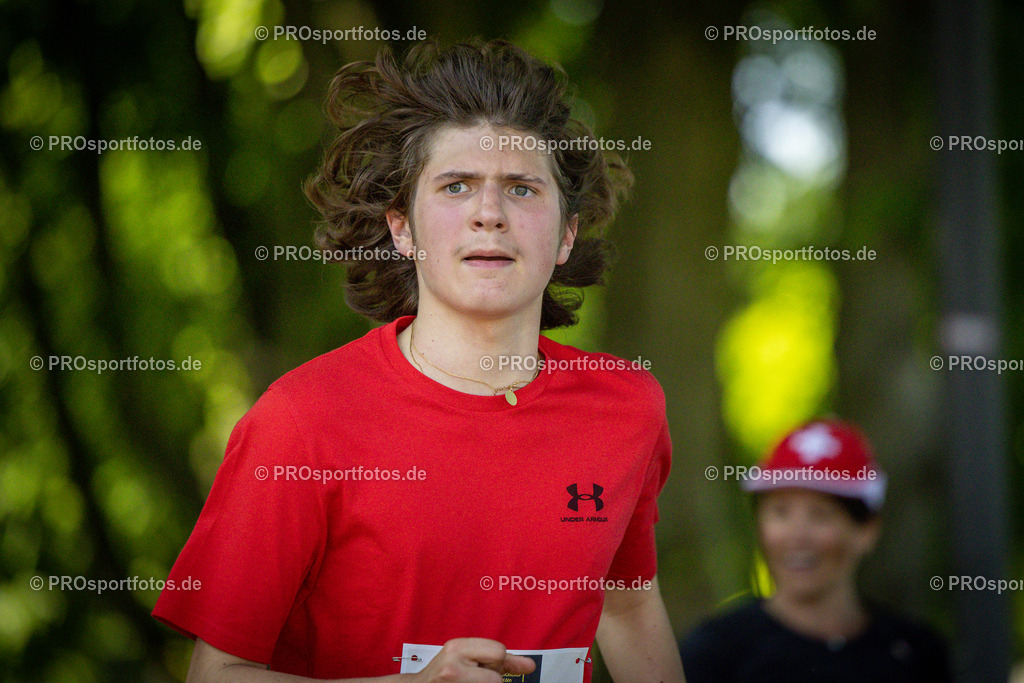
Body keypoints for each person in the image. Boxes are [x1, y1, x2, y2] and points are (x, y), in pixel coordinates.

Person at [152, 38, 684, 682]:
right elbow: (217, 675)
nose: (489, 214)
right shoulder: (301, 421)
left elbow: (628, 610)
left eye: (521, 189)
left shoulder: (627, 404)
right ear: (402, 228)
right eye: (456, 186)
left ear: (567, 233)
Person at [679, 419, 951, 682]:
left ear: (867, 530)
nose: (797, 536)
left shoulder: (916, 654)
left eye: (820, 515)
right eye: (780, 512)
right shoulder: (713, 655)